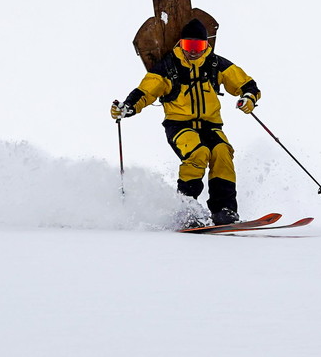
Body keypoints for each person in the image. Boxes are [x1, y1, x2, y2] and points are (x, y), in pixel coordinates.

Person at [111, 19, 261, 226]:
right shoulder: (168, 67)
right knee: (198, 154)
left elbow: (246, 84)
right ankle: (186, 210)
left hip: (211, 125)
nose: (193, 52)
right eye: (188, 46)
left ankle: (224, 210)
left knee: (222, 153)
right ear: (181, 44)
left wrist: (249, 98)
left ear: (206, 45)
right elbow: (146, 91)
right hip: (179, 126)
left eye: (197, 46)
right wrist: (128, 107)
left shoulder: (215, 64)